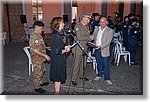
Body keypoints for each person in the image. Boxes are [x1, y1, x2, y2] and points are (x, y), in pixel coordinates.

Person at [49, 17, 71, 94]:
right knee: (57, 78)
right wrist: (66, 50)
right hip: (58, 60)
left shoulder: (56, 34)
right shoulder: (57, 36)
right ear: (58, 24)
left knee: (57, 77)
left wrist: (65, 47)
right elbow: (57, 51)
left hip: (56, 59)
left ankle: (57, 92)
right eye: (62, 23)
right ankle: (57, 94)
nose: (64, 24)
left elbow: (56, 46)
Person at [29, 21, 50, 94]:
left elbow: (40, 46)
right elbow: (34, 49)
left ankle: (40, 83)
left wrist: (47, 47)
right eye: (41, 28)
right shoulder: (34, 36)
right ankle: (37, 87)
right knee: (37, 73)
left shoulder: (39, 35)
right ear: (36, 27)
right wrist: (45, 55)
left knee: (42, 71)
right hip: (37, 58)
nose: (42, 29)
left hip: (41, 58)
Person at [71, 14, 93, 86]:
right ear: (83, 18)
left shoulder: (87, 26)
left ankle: (81, 76)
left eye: (89, 20)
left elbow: (87, 35)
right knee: (76, 64)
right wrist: (90, 38)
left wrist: (90, 38)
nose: (89, 21)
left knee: (84, 63)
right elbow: (79, 37)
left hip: (85, 47)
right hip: (78, 48)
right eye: (87, 19)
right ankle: (73, 79)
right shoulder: (77, 26)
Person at [92, 17, 114, 85]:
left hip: (104, 50)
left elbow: (108, 42)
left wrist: (100, 46)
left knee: (105, 65)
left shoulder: (110, 30)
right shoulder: (97, 29)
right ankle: (99, 75)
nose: (102, 23)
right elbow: (93, 37)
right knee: (98, 63)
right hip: (96, 49)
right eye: (100, 22)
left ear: (106, 22)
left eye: (103, 22)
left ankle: (107, 78)